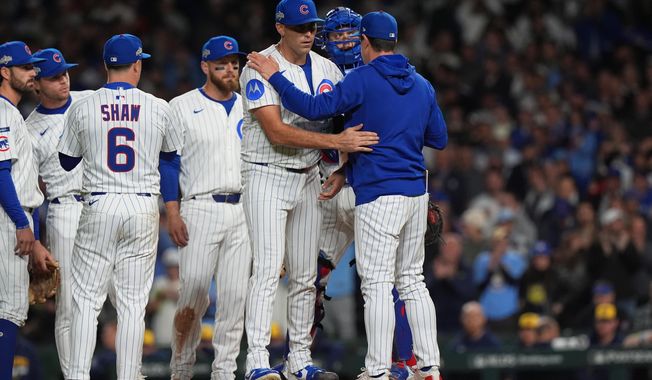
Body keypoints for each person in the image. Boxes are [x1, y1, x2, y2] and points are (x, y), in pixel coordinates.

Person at [246, 10, 448, 379]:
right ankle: (419, 365)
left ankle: (381, 367)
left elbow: (312, 109)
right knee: (399, 280)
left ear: (364, 40)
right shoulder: (417, 81)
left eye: (348, 35)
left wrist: (275, 75)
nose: (341, 40)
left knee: (355, 281)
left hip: (353, 188)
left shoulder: (352, 76)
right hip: (369, 184)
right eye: (334, 34)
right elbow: (438, 137)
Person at [239, 0, 379, 379]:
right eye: (300, 27)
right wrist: (337, 142)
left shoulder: (329, 67)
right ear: (280, 28)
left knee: (305, 276)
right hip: (266, 174)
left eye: (312, 27)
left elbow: (348, 119)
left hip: (308, 177)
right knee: (268, 270)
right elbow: (277, 131)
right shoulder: (259, 66)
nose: (308, 34)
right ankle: (257, 362)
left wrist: (344, 166)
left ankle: (299, 360)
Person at [57, 33, 183, 379]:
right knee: (131, 305)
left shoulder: (82, 105)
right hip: (143, 207)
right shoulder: (159, 106)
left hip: (99, 203)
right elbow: (171, 161)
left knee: (86, 301)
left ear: (105, 66)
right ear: (138, 65)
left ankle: (78, 375)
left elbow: (66, 161)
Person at [163, 35, 252, 380]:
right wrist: (172, 211)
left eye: (234, 63)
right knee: (193, 294)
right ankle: (181, 368)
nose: (230, 69)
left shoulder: (250, 105)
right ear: (205, 67)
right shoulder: (181, 106)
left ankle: (225, 372)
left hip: (243, 210)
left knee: (233, 298)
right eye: (222, 64)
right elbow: (169, 163)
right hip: (199, 207)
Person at [25, 47, 94, 378]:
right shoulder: (29, 128)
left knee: (108, 299)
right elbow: (28, 192)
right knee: (69, 306)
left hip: (102, 204)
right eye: (54, 76)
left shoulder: (89, 99)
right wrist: (36, 241)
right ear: (37, 84)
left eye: (65, 73)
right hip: (64, 209)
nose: (63, 80)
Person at [0, 40, 50, 380]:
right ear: (5, 72)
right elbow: (1, 172)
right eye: (25, 67)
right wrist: (22, 223)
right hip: (8, 218)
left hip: (14, 216)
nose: (33, 73)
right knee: (9, 307)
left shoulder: (11, 112)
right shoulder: (3, 111)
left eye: (33, 67)